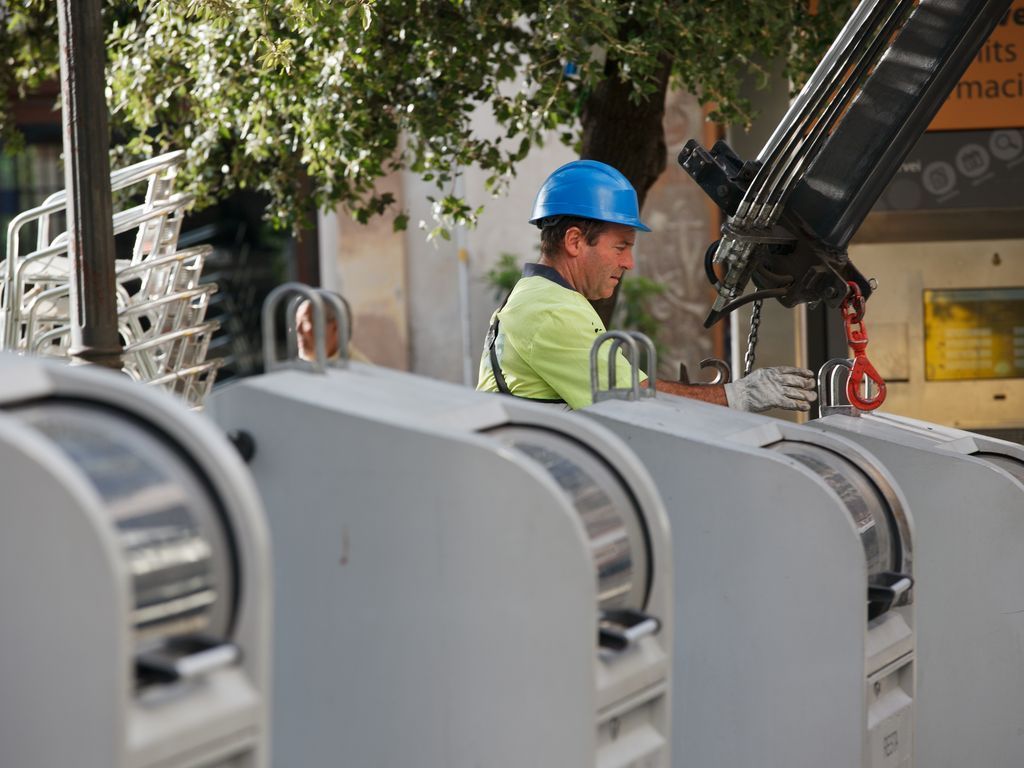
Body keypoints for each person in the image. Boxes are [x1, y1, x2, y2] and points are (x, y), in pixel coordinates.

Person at [476, 159, 818, 412]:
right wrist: (741, 395)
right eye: (621, 246)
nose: (628, 263)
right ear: (575, 241)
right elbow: (633, 400)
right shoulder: (551, 310)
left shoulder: (537, 297)